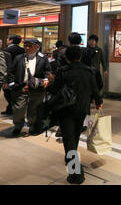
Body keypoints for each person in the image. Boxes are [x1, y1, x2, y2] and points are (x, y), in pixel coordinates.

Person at [48, 46, 103, 184]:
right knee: (74, 137)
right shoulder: (89, 71)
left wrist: (50, 81)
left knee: (69, 140)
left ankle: (76, 174)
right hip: (83, 110)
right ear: (80, 57)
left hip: (66, 110)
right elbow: (95, 88)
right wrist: (98, 101)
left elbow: (55, 90)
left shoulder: (63, 71)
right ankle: (73, 161)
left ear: (66, 58)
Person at [9, 39, 52, 136]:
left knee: (34, 109)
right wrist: (12, 84)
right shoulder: (19, 58)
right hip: (21, 87)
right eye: (25, 46)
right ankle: (18, 126)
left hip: (37, 88)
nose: (27, 48)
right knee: (18, 109)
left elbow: (48, 71)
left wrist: (45, 80)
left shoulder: (43, 58)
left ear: (37, 46)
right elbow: (12, 72)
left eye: (30, 46)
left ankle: (32, 126)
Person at [2, 35, 24, 115]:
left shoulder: (7, 50)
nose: (7, 41)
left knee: (7, 91)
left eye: (8, 39)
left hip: (9, 74)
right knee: (16, 91)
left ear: (11, 40)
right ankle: (11, 108)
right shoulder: (22, 50)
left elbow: (5, 65)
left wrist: (6, 79)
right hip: (20, 73)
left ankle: (13, 107)